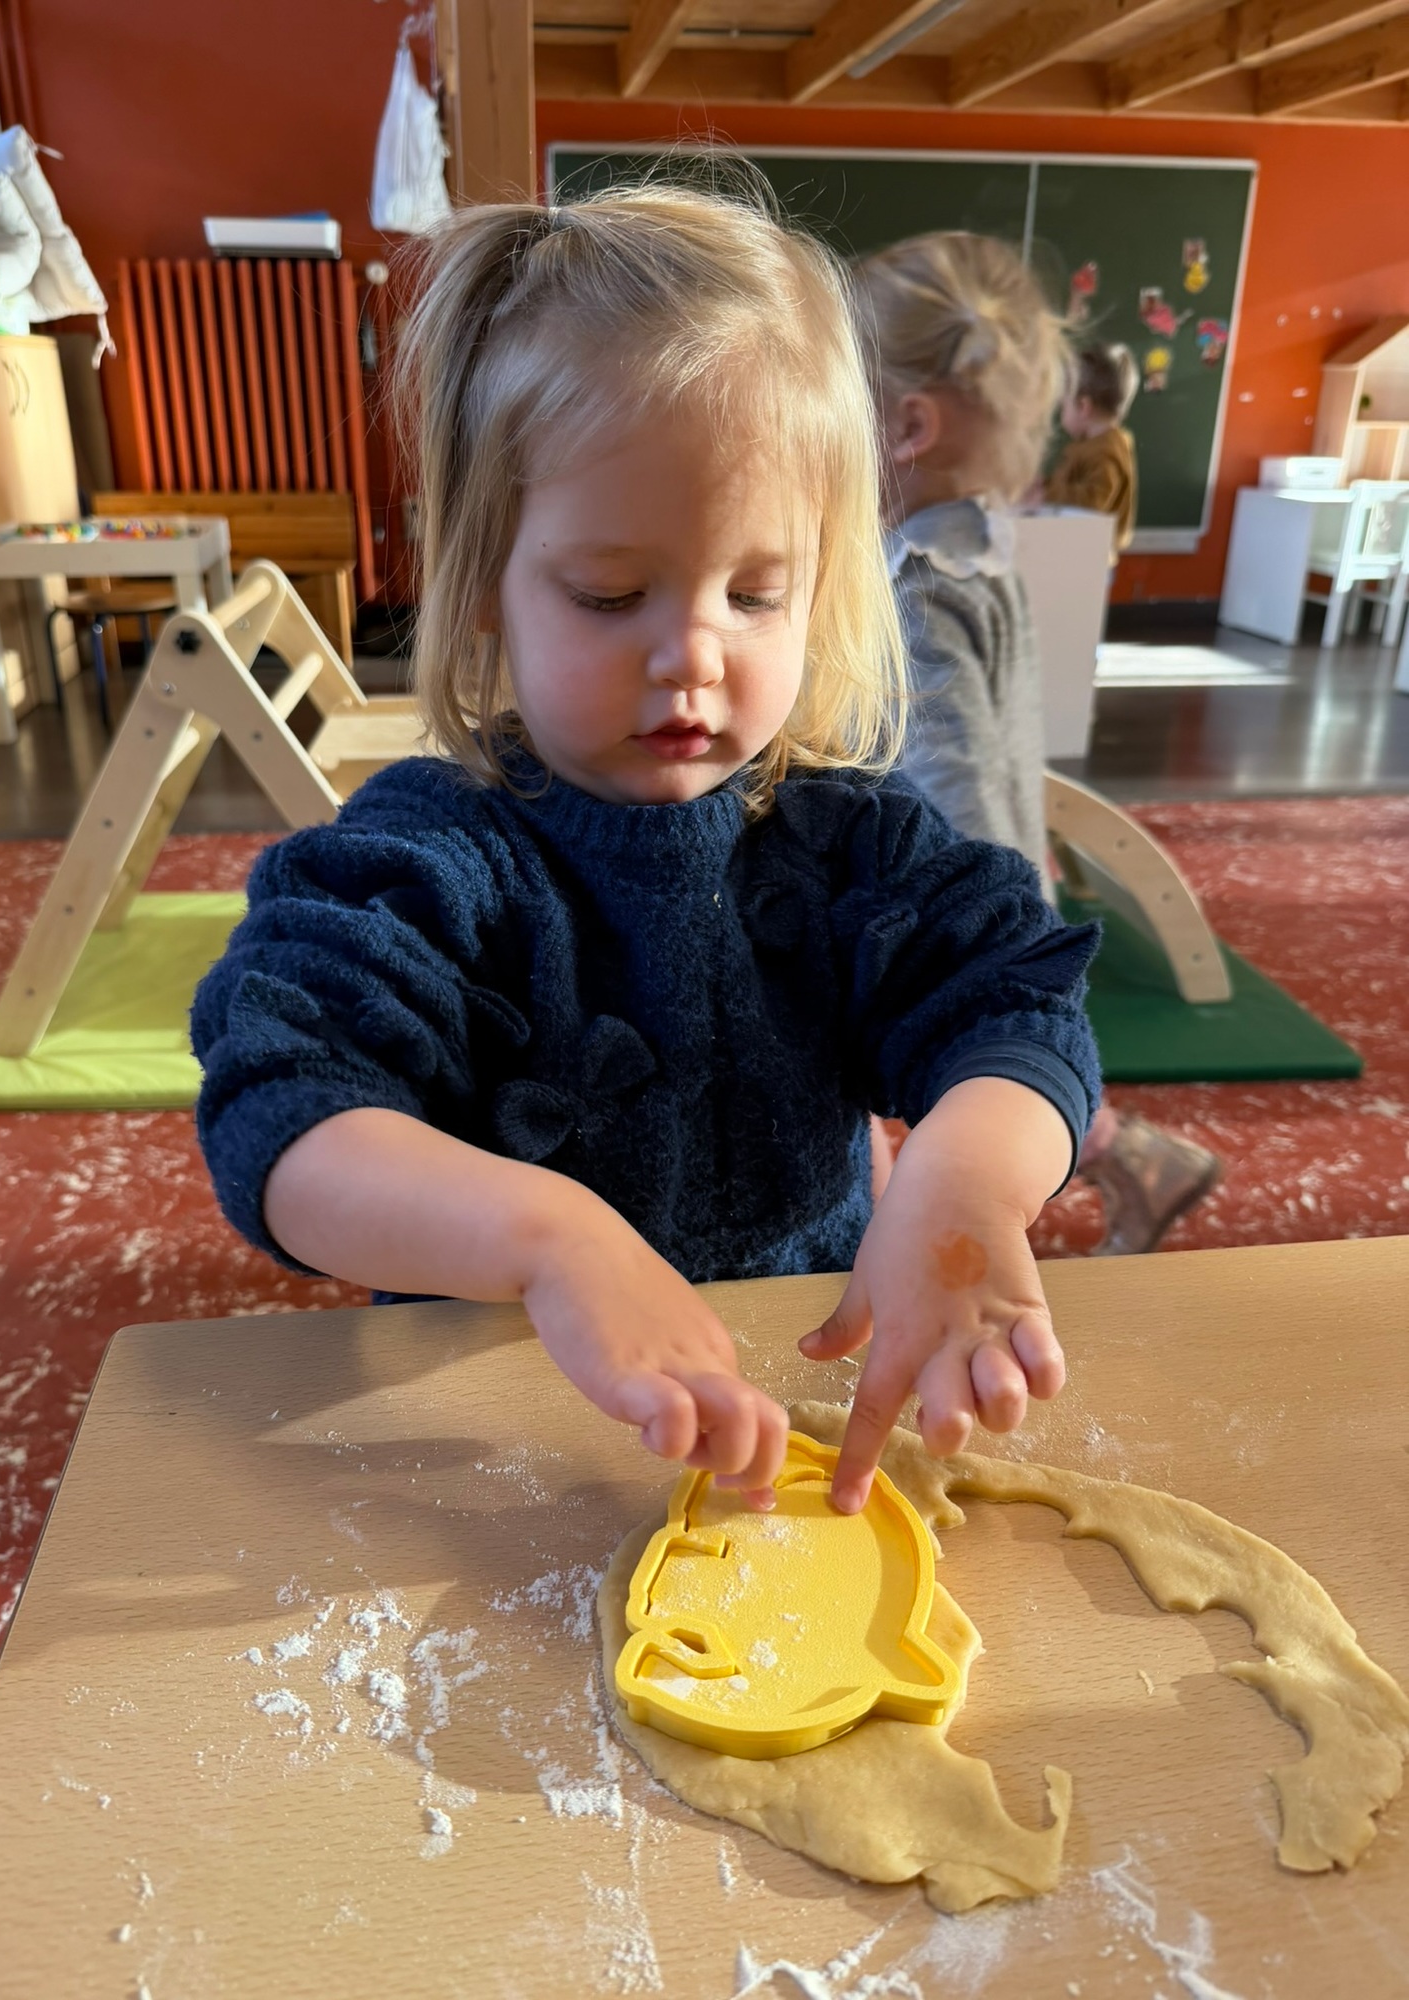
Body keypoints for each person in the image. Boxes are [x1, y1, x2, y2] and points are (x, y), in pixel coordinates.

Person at [191, 185, 1102, 1517]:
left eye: (756, 592)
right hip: (508, 1430)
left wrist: (963, 1179)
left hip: (791, 1405)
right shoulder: (433, 858)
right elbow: (283, 1110)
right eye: (611, 594)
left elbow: (1013, 1001)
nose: (692, 654)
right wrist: (550, 1243)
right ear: (487, 580)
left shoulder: (847, 845)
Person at [853, 233, 1220, 1256]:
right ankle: (1133, 1160)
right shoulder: (981, 551)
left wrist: (989, 913)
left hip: (948, 896)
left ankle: (898, 1253)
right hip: (1006, 869)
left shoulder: (916, 587)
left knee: (908, 1085)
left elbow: (951, 769)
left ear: (906, 426)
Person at [1045, 342, 1140, 555]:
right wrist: (1044, 486)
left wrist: (1046, 493)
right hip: (1076, 547)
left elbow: (1091, 504)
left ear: (1083, 407)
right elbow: (1072, 485)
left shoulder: (1107, 451)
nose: (1061, 412)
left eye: (1063, 405)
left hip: (1090, 557)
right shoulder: (1089, 444)